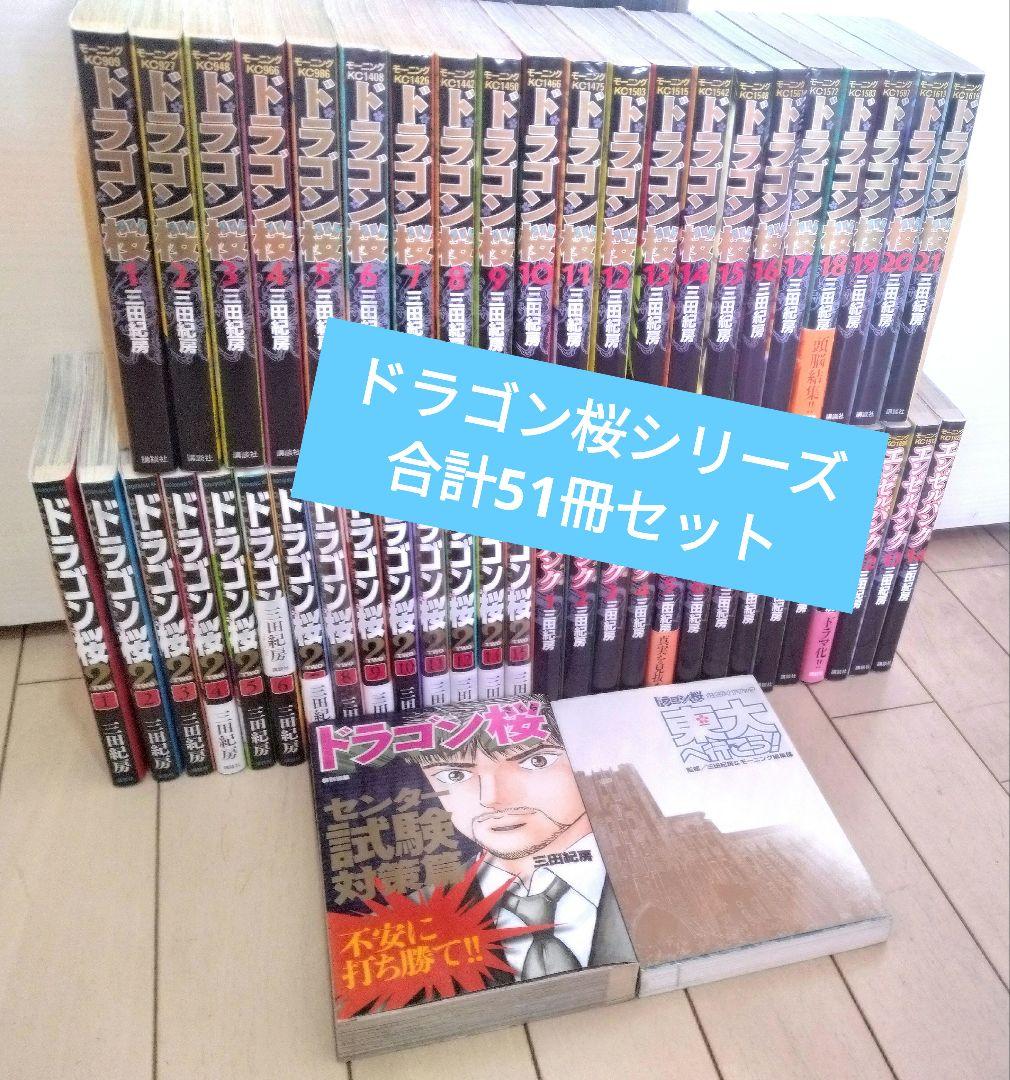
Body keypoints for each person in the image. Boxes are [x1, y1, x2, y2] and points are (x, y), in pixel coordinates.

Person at [409, 709, 628, 981]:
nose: (490, 798)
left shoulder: (658, 867)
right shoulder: (407, 917)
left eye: (537, 761)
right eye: (455, 775)